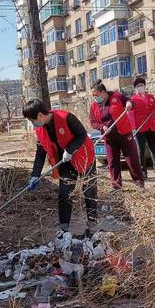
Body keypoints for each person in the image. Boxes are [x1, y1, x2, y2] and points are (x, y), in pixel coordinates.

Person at [23, 99, 97, 240]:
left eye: (32, 120)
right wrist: (35, 175)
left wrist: (70, 149)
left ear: (40, 115)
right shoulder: (40, 129)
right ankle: (64, 228)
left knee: (89, 191)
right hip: (64, 163)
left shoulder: (66, 117)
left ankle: (92, 225)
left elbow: (82, 134)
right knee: (64, 194)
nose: (32, 124)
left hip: (84, 157)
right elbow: (40, 153)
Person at [89, 80, 144, 189]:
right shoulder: (94, 106)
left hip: (124, 134)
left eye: (96, 95)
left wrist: (129, 104)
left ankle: (139, 183)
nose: (95, 97)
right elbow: (93, 121)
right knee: (112, 163)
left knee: (132, 160)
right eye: (93, 96)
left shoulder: (116, 96)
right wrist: (102, 127)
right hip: (109, 138)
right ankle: (116, 186)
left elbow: (129, 102)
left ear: (103, 92)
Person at [130, 77, 155, 179]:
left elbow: (154, 108)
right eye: (138, 86)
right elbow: (131, 115)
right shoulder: (133, 100)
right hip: (140, 128)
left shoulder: (151, 97)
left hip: (151, 127)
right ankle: (143, 172)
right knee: (141, 151)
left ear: (144, 86)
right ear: (135, 88)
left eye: (141, 85)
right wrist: (134, 128)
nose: (140, 87)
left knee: (154, 149)